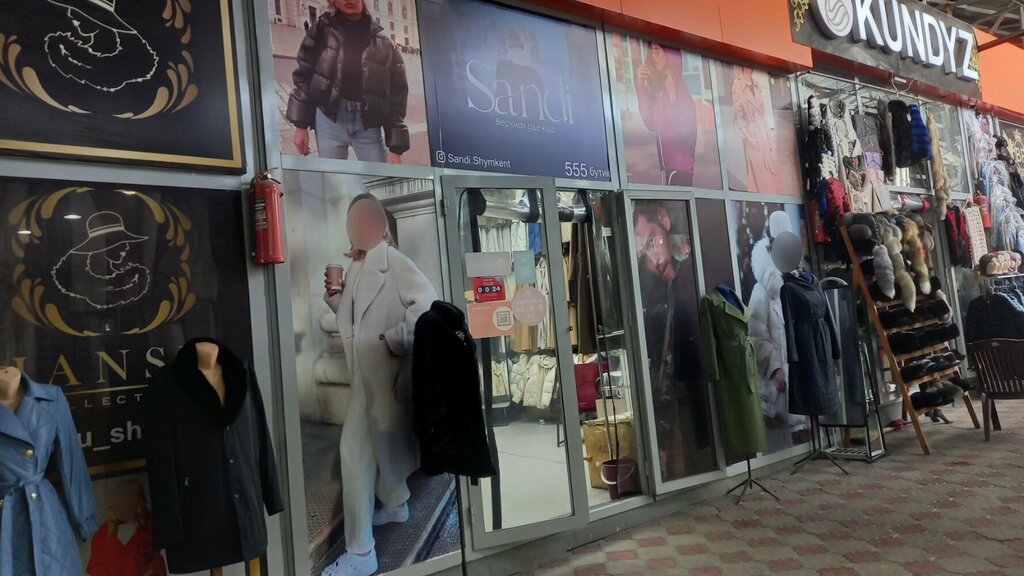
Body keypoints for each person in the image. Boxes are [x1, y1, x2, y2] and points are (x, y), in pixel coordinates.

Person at [321, 193, 437, 576]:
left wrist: (395, 340)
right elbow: (355, 319)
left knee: (354, 452)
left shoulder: (393, 260)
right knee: (376, 447)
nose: (360, 226)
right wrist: (336, 299)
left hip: (383, 373)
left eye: (367, 219)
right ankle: (397, 503)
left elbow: (428, 307)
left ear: (381, 223)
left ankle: (360, 554)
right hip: (364, 374)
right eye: (354, 220)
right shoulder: (358, 264)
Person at [633, 202, 712, 480]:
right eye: (643, 249)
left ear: (664, 220)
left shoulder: (694, 272)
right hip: (673, 382)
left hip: (703, 374)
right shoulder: (647, 290)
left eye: (652, 240)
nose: (652, 255)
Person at [286, 0, 410, 162]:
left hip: (368, 125)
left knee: (378, 176)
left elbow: (397, 95)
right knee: (333, 177)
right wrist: (300, 125)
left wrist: (395, 148)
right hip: (329, 120)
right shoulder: (321, 30)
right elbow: (304, 74)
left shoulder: (384, 43)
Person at [635, 42, 697, 187]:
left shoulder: (679, 89)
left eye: (657, 51)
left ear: (669, 55)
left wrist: (673, 99)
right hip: (669, 170)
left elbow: (687, 134)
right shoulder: (662, 91)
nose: (653, 56)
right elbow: (650, 122)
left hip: (679, 171)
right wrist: (641, 85)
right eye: (651, 51)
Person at [86, 480, 167, 576]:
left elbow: (156, 559)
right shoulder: (103, 533)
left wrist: (152, 571)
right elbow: (95, 565)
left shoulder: (148, 530)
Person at [731, 67, 786, 193]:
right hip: (752, 132)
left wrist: (769, 132)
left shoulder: (756, 84)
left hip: (764, 131)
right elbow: (738, 116)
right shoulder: (738, 85)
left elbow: (763, 112)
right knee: (760, 175)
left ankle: (777, 197)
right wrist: (749, 138)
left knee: (774, 170)